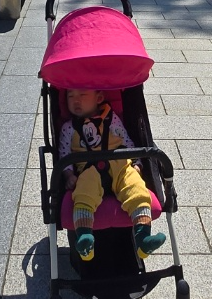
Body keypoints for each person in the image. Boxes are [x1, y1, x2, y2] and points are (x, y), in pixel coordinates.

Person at [59, 88, 165, 263]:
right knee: (83, 193)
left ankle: (143, 239)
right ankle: (85, 240)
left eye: (82, 94)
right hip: (88, 169)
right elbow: (64, 154)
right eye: (70, 96)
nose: (76, 100)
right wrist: (69, 174)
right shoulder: (69, 128)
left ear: (99, 98)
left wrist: (136, 162)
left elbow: (127, 141)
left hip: (119, 165)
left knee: (136, 188)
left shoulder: (112, 118)